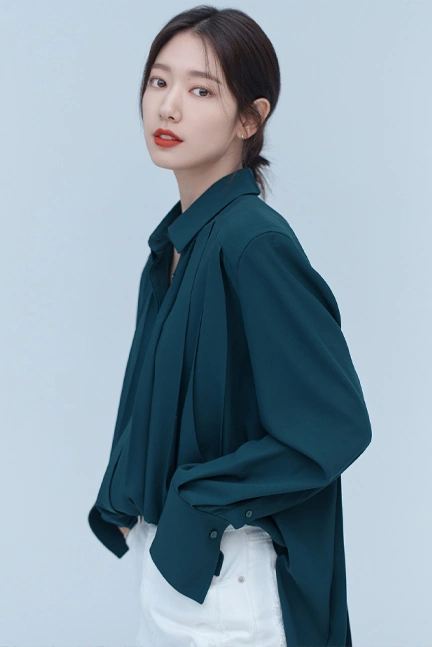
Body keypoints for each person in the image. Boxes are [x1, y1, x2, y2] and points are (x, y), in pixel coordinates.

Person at [87, 6, 372, 647]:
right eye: (159, 81)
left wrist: (197, 500)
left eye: (201, 90)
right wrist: (128, 496)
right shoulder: (176, 246)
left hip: (229, 585)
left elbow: (336, 425)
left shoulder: (252, 243)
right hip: (179, 570)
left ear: (250, 118)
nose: (168, 107)